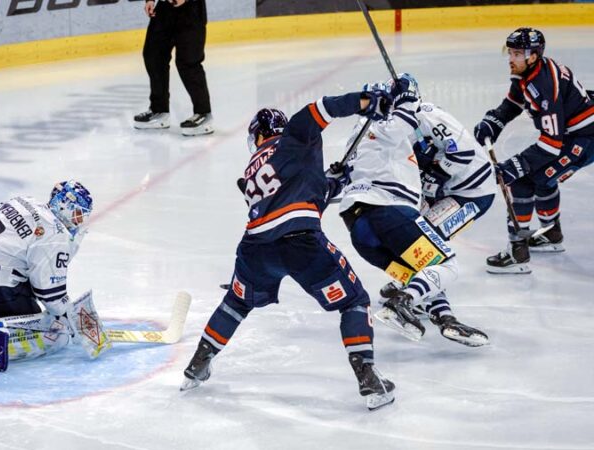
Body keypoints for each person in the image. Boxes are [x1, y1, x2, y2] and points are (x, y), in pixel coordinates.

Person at [181, 88, 397, 411]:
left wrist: (329, 183)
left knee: (237, 302)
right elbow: (322, 107)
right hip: (301, 244)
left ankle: (199, 362)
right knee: (354, 300)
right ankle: (366, 375)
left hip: (255, 249)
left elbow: (296, 196)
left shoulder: (251, 170)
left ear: (256, 137)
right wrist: (368, 101)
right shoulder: (294, 135)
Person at [334, 76, 489, 347]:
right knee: (446, 264)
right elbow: (399, 123)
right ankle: (400, 303)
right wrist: (407, 99)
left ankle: (444, 318)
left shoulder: (355, 136)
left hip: (358, 230)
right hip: (388, 213)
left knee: (421, 270)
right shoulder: (391, 121)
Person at [0, 180, 110, 373]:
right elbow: (49, 293)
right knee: (55, 334)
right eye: (77, 213)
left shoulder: (24, 201)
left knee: (14, 270)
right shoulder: (55, 233)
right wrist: (70, 321)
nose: (79, 221)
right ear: (64, 206)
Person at [473, 27, 594, 274]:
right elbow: (514, 101)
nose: (511, 58)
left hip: (584, 139)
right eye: (511, 52)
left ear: (533, 55)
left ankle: (518, 251)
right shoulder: (527, 72)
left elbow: (551, 144)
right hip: (574, 134)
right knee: (541, 178)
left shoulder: (544, 86)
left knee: (524, 179)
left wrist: (514, 166)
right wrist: (494, 122)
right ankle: (551, 234)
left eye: (517, 53)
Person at [378, 76, 497, 317]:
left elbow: (462, 153)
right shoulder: (399, 126)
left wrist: (435, 173)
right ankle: (414, 282)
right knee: (406, 233)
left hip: (471, 193)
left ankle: (420, 294)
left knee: (424, 237)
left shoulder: (428, 116)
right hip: (444, 191)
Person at [133, 0, 213, 136]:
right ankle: (159, 110)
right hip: (164, 9)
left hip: (190, 9)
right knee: (154, 55)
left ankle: (203, 113)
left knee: (188, 62)